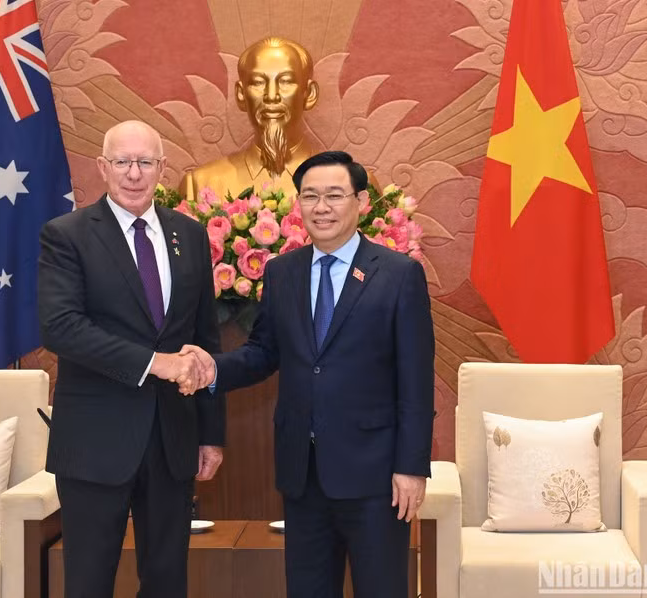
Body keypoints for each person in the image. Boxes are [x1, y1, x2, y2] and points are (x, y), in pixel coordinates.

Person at [182, 150, 435, 597]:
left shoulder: (398, 275)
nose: (322, 207)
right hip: (304, 472)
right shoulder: (282, 272)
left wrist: (412, 468)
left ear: (360, 201)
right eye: (310, 196)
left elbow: (416, 380)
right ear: (298, 204)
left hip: (377, 476)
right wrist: (210, 369)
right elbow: (263, 352)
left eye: (334, 195)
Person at [38, 120, 226, 598]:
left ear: (162, 168)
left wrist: (211, 433)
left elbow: (206, 339)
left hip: (172, 438)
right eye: (123, 162)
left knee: (166, 581)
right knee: (88, 581)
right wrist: (155, 362)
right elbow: (62, 328)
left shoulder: (191, 235)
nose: (134, 174)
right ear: (103, 167)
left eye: (145, 162)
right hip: (94, 440)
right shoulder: (67, 235)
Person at [180, 37, 319, 202]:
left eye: (286, 81)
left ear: (309, 94)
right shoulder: (200, 185)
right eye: (258, 83)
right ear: (241, 94)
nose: (271, 96)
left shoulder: (346, 184)